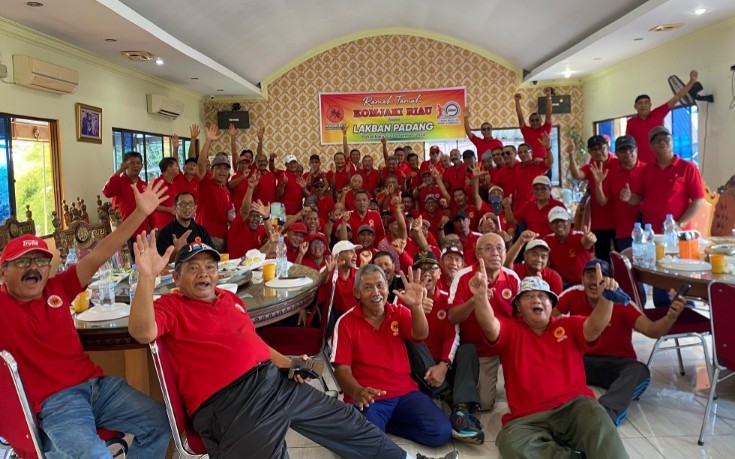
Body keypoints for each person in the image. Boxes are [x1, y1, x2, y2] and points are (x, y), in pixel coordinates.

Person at [128, 238, 455, 459]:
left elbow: (252, 343)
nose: (204, 274)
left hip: (270, 381)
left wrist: (288, 363)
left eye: (209, 266)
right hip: (229, 403)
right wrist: (146, 279)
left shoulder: (229, 299)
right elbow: (142, 331)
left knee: (344, 419)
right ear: (176, 275)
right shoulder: (171, 305)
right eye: (193, 268)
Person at [0, 182, 171, 457]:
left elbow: (102, 251)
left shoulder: (58, 287)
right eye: (23, 262)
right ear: (3, 271)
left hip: (99, 388)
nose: (34, 268)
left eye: (41, 262)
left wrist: (139, 213)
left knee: (162, 423)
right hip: (57, 403)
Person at [470, 267, 629, 458]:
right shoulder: (510, 329)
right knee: (510, 442)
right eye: (529, 296)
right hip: (528, 418)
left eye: (542, 296)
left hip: (575, 408)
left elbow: (594, 326)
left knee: (598, 419)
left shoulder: (568, 325)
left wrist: (606, 299)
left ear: (551, 303)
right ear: (518, 307)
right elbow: (490, 325)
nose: (537, 299)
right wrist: (480, 298)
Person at [332, 264, 454, 448]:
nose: (376, 292)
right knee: (369, 445)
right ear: (356, 292)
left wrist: (416, 307)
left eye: (380, 285)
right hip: (369, 398)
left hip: (405, 393)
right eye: (367, 287)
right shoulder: (345, 322)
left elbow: (420, 334)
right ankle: (375, 431)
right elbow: (342, 370)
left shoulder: (398, 312)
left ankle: (384, 427)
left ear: (387, 287)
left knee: (441, 432)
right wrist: (358, 391)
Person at [554, 259, 686, 426]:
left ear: (610, 282)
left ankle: (605, 414)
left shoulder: (622, 301)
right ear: (582, 279)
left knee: (639, 371)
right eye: (590, 276)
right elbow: (546, 319)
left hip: (617, 365)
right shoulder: (573, 295)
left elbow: (652, 330)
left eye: (601, 277)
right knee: (551, 360)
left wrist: (670, 317)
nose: (595, 282)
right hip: (581, 360)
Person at [402, 252, 484, 444]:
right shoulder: (403, 300)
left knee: (468, 349)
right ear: (412, 273)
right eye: (420, 269)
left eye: (431, 268)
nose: (426, 274)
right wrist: (415, 308)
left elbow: (452, 335)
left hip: (444, 365)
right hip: (418, 370)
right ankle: (446, 393)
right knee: (412, 340)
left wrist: (444, 364)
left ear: (439, 273)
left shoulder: (448, 299)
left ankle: (460, 413)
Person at [448, 232, 520, 411]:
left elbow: (521, 320)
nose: (495, 253)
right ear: (478, 254)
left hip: (506, 348)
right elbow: (452, 317)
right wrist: (475, 299)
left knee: (521, 398)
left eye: (500, 248)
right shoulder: (464, 276)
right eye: (488, 249)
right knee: (484, 404)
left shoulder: (512, 278)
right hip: (478, 350)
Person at [620, 126, 705, 233]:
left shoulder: (688, 167)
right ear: (651, 146)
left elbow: (699, 199)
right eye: (657, 140)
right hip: (652, 232)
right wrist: (628, 198)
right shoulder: (646, 170)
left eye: (666, 139)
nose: (663, 142)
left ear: (672, 142)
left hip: (678, 231)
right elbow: (638, 198)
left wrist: (680, 223)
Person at [625, 70, 698, 164]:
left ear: (650, 105)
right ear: (635, 106)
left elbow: (677, 97)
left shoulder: (658, 113)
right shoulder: (631, 122)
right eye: (640, 103)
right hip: (639, 165)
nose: (643, 105)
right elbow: (628, 145)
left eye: (646, 103)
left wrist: (691, 82)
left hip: (660, 164)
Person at [590, 135, 646, 251]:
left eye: (630, 149)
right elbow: (602, 202)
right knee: (626, 267)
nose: (627, 153)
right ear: (616, 153)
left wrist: (635, 199)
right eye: (622, 150)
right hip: (624, 232)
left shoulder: (648, 170)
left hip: (648, 230)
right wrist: (598, 183)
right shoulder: (611, 173)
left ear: (636, 149)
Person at [568, 135, 618, 262]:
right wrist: (571, 154)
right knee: (603, 258)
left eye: (601, 148)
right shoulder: (592, 166)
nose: (598, 152)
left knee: (621, 259)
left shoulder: (617, 163)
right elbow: (577, 174)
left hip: (619, 221)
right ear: (590, 152)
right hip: (599, 221)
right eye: (594, 149)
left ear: (607, 147)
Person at [101, 150, 149, 258]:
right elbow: (107, 192)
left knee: (143, 263)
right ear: (125, 165)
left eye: (138, 163)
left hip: (142, 232)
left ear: (142, 166)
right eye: (131, 163)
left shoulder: (144, 185)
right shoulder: (119, 181)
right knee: (127, 265)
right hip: (124, 232)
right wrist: (119, 171)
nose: (135, 166)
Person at [195, 125, 232, 251]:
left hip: (222, 236)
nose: (223, 171)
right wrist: (208, 141)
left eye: (226, 168)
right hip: (206, 236)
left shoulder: (226, 190)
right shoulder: (206, 182)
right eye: (219, 167)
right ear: (211, 169)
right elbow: (200, 164)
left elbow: (226, 216)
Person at [543, 206, 596, 287]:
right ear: (550, 226)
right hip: (563, 284)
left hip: (585, 283)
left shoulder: (579, 236)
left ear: (570, 222)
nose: (559, 224)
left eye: (562, 220)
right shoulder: (547, 240)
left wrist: (589, 240)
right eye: (555, 222)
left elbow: (586, 243)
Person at [156, 191, 214, 259]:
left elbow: (211, 254)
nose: (187, 207)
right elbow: (160, 262)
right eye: (183, 204)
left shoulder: (202, 231)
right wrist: (176, 251)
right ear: (175, 208)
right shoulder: (165, 233)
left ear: (195, 208)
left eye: (190, 204)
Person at [514, 89, 553, 160]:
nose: (535, 122)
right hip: (530, 162)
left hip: (544, 161)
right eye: (532, 120)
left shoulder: (546, 128)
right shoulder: (526, 130)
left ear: (541, 121)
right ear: (529, 122)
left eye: (537, 120)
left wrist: (549, 96)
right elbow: (520, 117)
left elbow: (548, 113)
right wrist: (517, 102)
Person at [150, 156, 180, 231]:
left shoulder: (173, 184)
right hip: (161, 226)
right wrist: (169, 210)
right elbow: (151, 205)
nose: (178, 168)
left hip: (174, 224)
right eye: (176, 165)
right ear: (169, 168)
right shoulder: (157, 183)